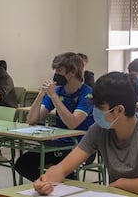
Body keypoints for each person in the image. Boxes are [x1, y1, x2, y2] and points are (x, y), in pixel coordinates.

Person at [15, 52, 94, 181]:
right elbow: (32, 119)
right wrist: (41, 94)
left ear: (72, 71)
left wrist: (54, 97)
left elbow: (72, 123)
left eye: (59, 70)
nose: (56, 74)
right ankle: (49, 185)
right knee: (23, 164)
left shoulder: (88, 94)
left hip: (81, 146)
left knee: (64, 171)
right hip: (59, 143)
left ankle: (59, 187)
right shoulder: (58, 91)